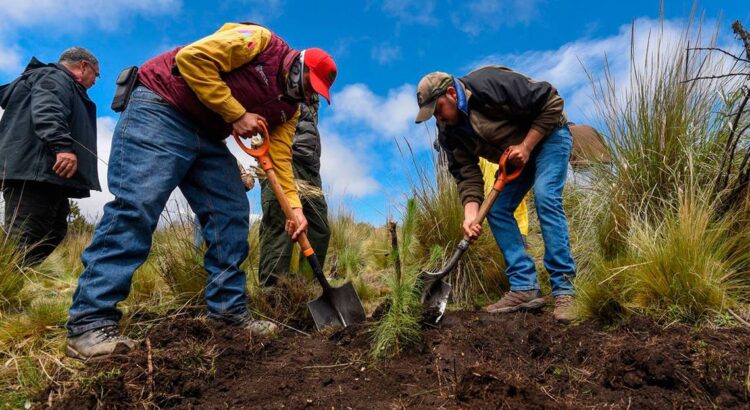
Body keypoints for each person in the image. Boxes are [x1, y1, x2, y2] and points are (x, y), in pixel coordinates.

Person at [66, 23, 337, 360]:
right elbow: (192, 60)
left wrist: (294, 210)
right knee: (136, 209)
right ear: (298, 67)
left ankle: (227, 313)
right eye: (307, 87)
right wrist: (237, 114)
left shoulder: (290, 110)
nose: (306, 97)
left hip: (206, 133)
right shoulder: (259, 42)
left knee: (232, 212)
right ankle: (89, 322)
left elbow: (280, 160)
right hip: (160, 108)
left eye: (313, 94)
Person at [414, 66, 577, 323]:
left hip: (549, 136)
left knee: (545, 197)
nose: (438, 120)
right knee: (498, 210)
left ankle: (565, 290)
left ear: (451, 93)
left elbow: (552, 101)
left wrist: (526, 145)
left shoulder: (488, 84)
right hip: (513, 161)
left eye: (438, 110)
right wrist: (470, 216)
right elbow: (466, 174)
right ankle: (524, 287)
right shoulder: (449, 133)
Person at [0, 48, 100, 266]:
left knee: (53, 230)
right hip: (34, 171)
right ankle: (6, 283)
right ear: (84, 66)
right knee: (23, 236)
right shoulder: (54, 77)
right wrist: (62, 146)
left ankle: (14, 280)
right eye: (96, 74)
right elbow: (48, 108)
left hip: (47, 173)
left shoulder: (53, 79)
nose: (95, 80)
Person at [259, 96, 330, 286]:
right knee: (281, 229)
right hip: (285, 163)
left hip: (311, 170)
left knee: (320, 229)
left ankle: (307, 290)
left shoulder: (312, 103)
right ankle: (272, 296)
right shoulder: (282, 87)